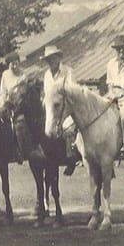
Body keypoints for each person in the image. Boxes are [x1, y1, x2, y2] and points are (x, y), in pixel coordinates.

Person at [40, 45, 82, 176]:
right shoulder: (47, 75)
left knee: (68, 125)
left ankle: (72, 158)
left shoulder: (68, 71)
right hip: (53, 107)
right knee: (46, 127)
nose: (51, 61)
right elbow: (47, 93)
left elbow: (72, 91)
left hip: (67, 106)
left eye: (53, 58)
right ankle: (49, 155)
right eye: (49, 59)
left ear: (58, 58)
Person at [0, 53, 29, 163]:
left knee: (18, 124)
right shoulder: (5, 74)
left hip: (20, 103)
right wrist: (0, 103)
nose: (14, 67)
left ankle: (20, 151)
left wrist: (13, 97)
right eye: (11, 65)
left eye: (15, 64)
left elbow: (23, 92)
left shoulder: (23, 74)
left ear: (19, 63)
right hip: (8, 102)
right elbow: (2, 92)